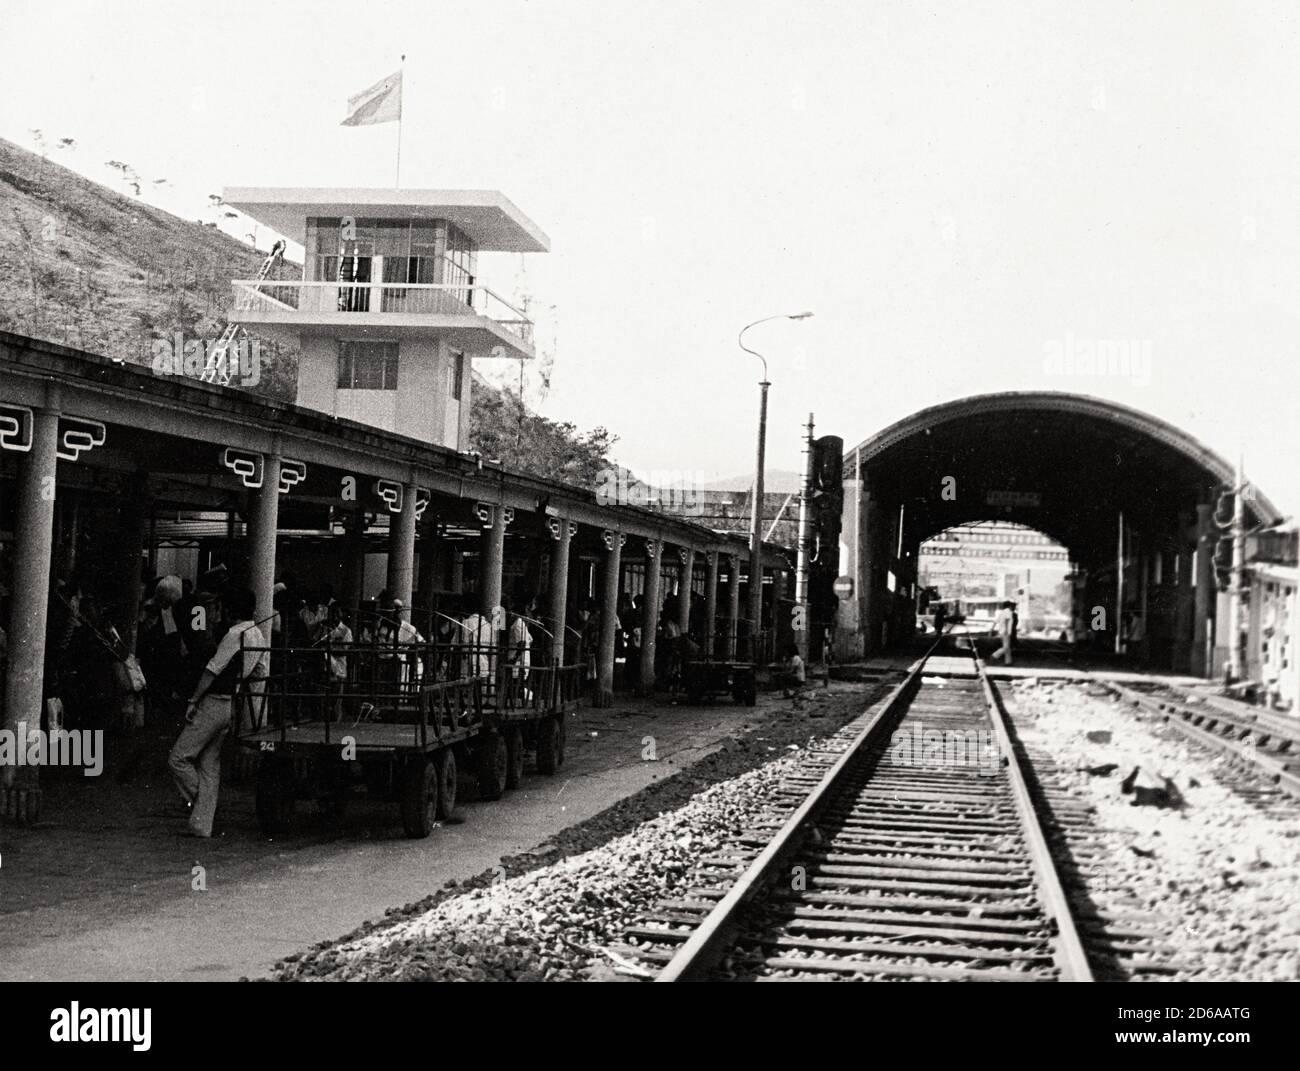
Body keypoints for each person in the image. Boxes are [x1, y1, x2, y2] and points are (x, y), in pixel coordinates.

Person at [169, 588, 268, 837]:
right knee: (209, 765)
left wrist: (193, 699)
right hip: (230, 703)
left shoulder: (234, 634)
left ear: (229, 609)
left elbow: (212, 669)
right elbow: (259, 672)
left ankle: (204, 808)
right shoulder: (257, 634)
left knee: (179, 758)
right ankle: (202, 825)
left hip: (212, 702)